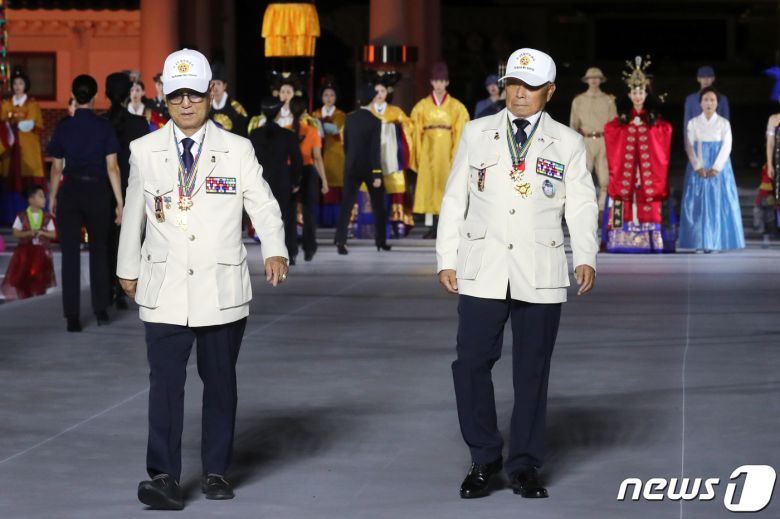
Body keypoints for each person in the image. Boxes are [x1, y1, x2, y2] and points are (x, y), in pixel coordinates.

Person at [117, 49, 288, 511]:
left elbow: (264, 204)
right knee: (165, 385)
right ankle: (164, 476)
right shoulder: (144, 151)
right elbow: (133, 213)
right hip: (165, 286)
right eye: (177, 95)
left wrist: (274, 247)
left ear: (211, 93)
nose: (186, 103)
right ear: (164, 98)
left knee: (220, 382)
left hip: (220, 287)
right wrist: (126, 267)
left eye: (194, 93)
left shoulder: (237, 149)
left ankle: (216, 470)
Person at [437, 48, 598, 500]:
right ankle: (484, 458)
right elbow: (455, 199)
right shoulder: (476, 132)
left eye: (529, 86)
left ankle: (524, 465)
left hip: (540, 269)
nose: (518, 93)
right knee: (469, 364)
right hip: (483, 266)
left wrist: (585, 255)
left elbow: (582, 205)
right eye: (512, 84)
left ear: (550, 91)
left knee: (532, 372)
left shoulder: (567, 141)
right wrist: (445, 257)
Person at [48, 74, 123, 332]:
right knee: (99, 250)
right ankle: (101, 309)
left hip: (71, 191)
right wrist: (119, 202)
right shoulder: (104, 127)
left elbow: (57, 168)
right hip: (98, 191)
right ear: (94, 97)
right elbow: (112, 167)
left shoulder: (63, 127)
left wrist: (52, 197)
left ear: (74, 95)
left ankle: (72, 317)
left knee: (70, 254)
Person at [603, 56, 673, 253]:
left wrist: (647, 129)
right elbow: (610, 130)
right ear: (629, 93)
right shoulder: (622, 119)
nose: (638, 96)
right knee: (620, 198)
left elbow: (665, 130)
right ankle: (618, 241)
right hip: (626, 174)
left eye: (641, 92)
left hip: (645, 173)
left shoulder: (653, 119)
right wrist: (626, 129)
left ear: (646, 93)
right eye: (634, 92)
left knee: (647, 202)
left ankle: (651, 241)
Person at [104, 72, 150, 309]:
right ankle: (127, 285)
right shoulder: (140, 124)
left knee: (106, 241)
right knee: (134, 237)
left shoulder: (101, 123)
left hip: (104, 190)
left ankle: (108, 289)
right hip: (132, 189)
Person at [678, 87, 744, 252]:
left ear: (717, 103)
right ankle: (699, 242)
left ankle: (715, 242)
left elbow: (727, 146)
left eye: (712, 100)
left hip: (718, 167)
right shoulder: (693, 123)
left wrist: (716, 167)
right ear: (700, 103)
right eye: (706, 100)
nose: (709, 103)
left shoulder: (723, 123)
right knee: (698, 205)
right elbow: (689, 146)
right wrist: (697, 166)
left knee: (717, 204)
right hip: (698, 166)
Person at [411, 62, 470, 238]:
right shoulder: (422, 106)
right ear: (431, 82)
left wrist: (456, 155)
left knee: (446, 187)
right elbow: (414, 129)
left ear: (447, 83)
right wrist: (419, 153)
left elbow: (461, 131)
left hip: (446, 152)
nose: (438, 84)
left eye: (441, 81)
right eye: (435, 81)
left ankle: (445, 225)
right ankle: (431, 226)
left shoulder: (456, 106)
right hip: (428, 150)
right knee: (430, 187)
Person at [335, 84, 388, 255]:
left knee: (347, 205)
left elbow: (346, 145)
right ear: (372, 99)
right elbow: (375, 150)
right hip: (370, 168)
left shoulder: (349, 119)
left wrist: (349, 161)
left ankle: (340, 241)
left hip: (351, 166)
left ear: (358, 101)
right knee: (378, 204)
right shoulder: (375, 121)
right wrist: (377, 173)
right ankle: (380, 241)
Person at [249, 97, 303, 262]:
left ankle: (270, 253)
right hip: (283, 181)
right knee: (287, 218)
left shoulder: (255, 134)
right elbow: (297, 161)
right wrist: (296, 181)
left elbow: (249, 160)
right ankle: (290, 253)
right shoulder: (288, 135)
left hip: (262, 182)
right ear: (279, 113)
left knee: (266, 219)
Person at [369, 79, 415, 237]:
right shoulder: (367, 110)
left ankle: (398, 221)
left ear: (387, 93)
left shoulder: (395, 112)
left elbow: (409, 126)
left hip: (393, 156)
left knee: (396, 187)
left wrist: (397, 127)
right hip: (373, 156)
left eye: (382, 91)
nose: (379, 95)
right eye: (376, 91)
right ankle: (372, 224)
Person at [1, 68, 46, 218]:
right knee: (10, 180)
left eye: (20, 83)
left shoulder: (32, 104)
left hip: (28, 150)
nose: (17, 86)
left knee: (29, 180)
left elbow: (31, 124)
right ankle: (9, 216)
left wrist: (14, 122)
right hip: (10, 150)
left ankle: (33, 215)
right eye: (15, 83)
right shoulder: (6, 103)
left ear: (25, 85)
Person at [570, 67, 616, 209]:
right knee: (584, 173)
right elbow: (573, 124)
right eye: (591, 78)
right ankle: (585, 205)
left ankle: (603, 207)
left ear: (601, 80)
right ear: (587, 80)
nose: (594, 80)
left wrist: (612, 143)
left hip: (603, 139)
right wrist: (574, 144)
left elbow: (614, 123)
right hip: (586, 140)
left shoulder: (608, 100)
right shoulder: (579, 100)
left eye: (597, 78)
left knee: (604, 175)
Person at [1, 185, 57, 300]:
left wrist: (42, 233)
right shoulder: (22, 216)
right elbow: (16, 232)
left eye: (44, 196)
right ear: (31, 199)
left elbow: (53, 234)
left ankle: (39, 299)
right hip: (24, 253)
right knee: (23, 277)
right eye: (40, 196)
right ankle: (25, 298)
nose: (44, 199)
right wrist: (27, 234)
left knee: (40, 277)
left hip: (41, 253)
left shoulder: (47, 217)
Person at [290, 95, 328, 262]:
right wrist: (324, 181)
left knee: (289, 213)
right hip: (308, 172)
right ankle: (309, 248)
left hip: (289, 172)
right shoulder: (313, 131)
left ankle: (290, 251)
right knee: (309, 212)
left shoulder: (285, 130)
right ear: (305, 111)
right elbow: (318, 157)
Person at [312, 81, 346, 227]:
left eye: (332, 95)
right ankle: (318, 220)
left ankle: (335, 220)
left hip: (335, 154)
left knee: (335, 185)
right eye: (326, 95)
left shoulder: (341, 115)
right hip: (317, 153)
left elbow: (343, 133)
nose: (329, 98)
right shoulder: (314, 114)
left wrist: (327, 127)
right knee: (318, 184)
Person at [683, 66, 730, 149]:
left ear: (713, 79)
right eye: (702, 77)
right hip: (696, 142)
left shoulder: (722, 100)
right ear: (698, 79)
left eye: (709, 77)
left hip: (716, 143)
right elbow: (686, 123)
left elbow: (726, 124)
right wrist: (688, 145)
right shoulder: (690, 100)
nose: (705, 80)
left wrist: (724, 145)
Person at [209, 63, 248, 137]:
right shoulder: (206, 107)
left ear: (224, 85)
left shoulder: (236, 108)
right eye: (213, 83)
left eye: (218, 83)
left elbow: (242, 132)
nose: (215, 87)